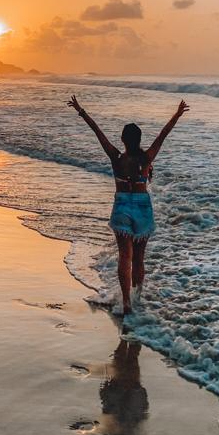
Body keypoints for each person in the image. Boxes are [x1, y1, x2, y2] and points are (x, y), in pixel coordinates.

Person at [67, 94, 189, 315]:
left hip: (123, 206)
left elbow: (98, 134)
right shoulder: (146, 159)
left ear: (123, 139)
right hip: (142, 207)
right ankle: (138, 296)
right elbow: (163, 134)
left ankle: (126, 302)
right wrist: (177, 115)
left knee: (125, 256)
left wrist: (81, 110)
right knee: (139, 258)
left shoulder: (117, 158)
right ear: (139, 140)